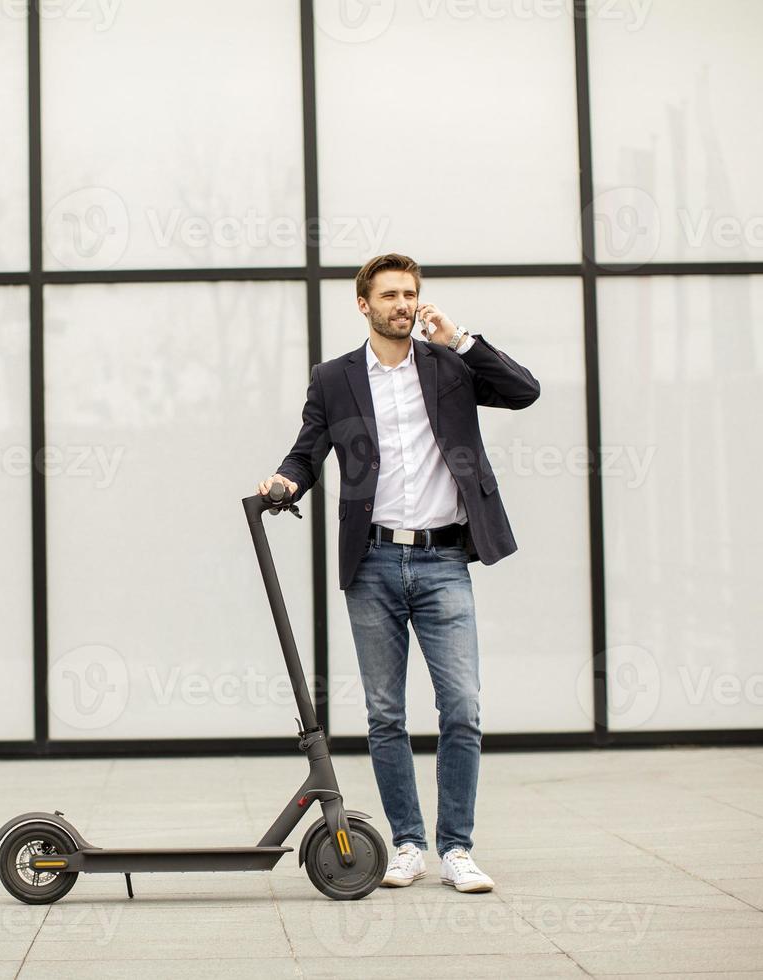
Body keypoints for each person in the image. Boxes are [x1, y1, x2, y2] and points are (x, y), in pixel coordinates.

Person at [258, 253, 539, 893]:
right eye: (390, 295)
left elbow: (524, 391)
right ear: (365, 304)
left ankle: (457, 848)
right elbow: (308, 451)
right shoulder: (334, 378)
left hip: (443, 559)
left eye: (410, 294)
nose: (403, 305)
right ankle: (408, 844)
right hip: (374, 561)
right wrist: (284, 482)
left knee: (461, 708)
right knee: (386, 714)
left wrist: (462, 341)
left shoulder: (450, 366)